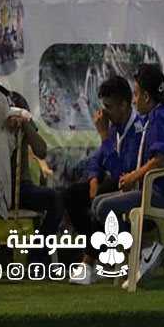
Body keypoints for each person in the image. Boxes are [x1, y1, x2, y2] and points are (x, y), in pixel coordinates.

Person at [91, 64, 164, 287]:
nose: (134, 101)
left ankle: (144, 252)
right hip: (155, 189)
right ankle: (139, 257)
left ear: (146, 96)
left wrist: (133, 177)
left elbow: (160, 160)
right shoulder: (156, 115)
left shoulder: (158, 118)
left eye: (136, 95)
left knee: (104, 207)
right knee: (98, 204)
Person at [0, 80, 63, 267]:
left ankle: (37, 254)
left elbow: (41, 151)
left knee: (56, 199)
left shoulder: (18, 119)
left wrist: (26, 126)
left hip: (22, 188)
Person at [64, 76, 146, 284]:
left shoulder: (138, 130)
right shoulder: (115, 126)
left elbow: (122, 173)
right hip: (115, 185)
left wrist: (103, 136)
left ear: (123, 105)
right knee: (72, 195)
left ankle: (88, 264)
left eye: (109, 107)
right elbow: (96, 160)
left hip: (134, 190)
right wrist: (93, 179)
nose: (104, 112)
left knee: (102, 196)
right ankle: (100, 253)